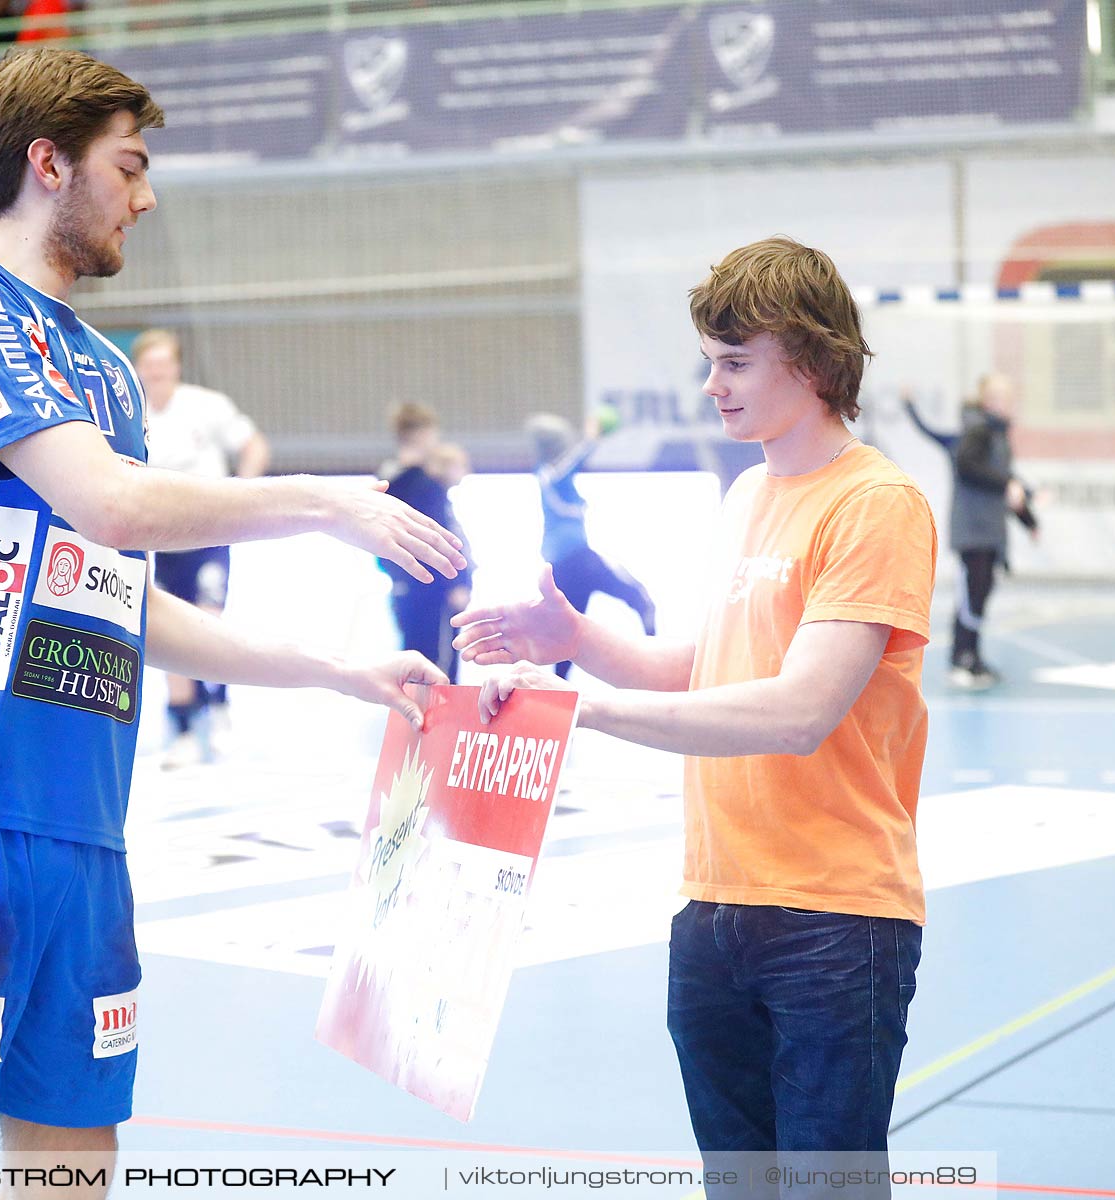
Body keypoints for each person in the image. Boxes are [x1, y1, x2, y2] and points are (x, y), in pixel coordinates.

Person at [0, 47, 463, 1193]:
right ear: (48, 165)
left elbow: (123, 595)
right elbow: (115, 506)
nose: (146, 193)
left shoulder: (111, 374)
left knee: (76, 1159)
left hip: (86, 833)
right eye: (128, 165)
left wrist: (340, 670)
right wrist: (324, 501)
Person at [456, 237, 935, 1188]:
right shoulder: (752, 492)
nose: (712, 386)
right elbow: (703, 668)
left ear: (811, 359)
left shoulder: (877, 505)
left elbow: (798, 711)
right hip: (714, 910)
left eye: (735, 363)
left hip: (833, 922)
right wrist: (574, 639)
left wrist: (574, 709)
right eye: (709, 362)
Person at [130, 327, 270, 766]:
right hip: (161, 537)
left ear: (176, 366)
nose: (156, 372)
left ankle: (220, 705)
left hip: (209, 532)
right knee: (170, 628)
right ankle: (184, 728)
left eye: (163, 363)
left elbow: (253, 445)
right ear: (138, 368)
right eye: (148, 365)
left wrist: (243, 493)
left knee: (210, 619)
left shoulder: (206, 406)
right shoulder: (131, 410)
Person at [523, 410, 655, 678]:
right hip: (575, 559)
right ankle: (656, 662)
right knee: (641, 600)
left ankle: (556, 693)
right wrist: (591, 437)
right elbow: (573, 462)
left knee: (568, 632)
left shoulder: (551, 477)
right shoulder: (550, 472)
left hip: (566, 562)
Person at [948, 372, 1037, 690]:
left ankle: (974, 655)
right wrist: (1008, 484)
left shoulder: (999, 435)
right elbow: (968, 467)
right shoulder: (978, 430)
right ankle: (961, 658)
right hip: (972, 528)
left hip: (990, 529)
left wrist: (1029, 519)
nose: (1010, 404)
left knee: (982, 592)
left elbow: (1006, 481)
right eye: (1003, 398)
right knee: (971, 595)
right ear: (989, 401)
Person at [377, 404, 472, 684]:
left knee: (417, 665)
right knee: (436, 671)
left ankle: (417, 725)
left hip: (410, 589)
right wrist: (455, 583)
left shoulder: (389, 480)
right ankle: (432, 727)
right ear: (420, 435)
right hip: (432, 589)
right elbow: (438, 538)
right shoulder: (422, 484)